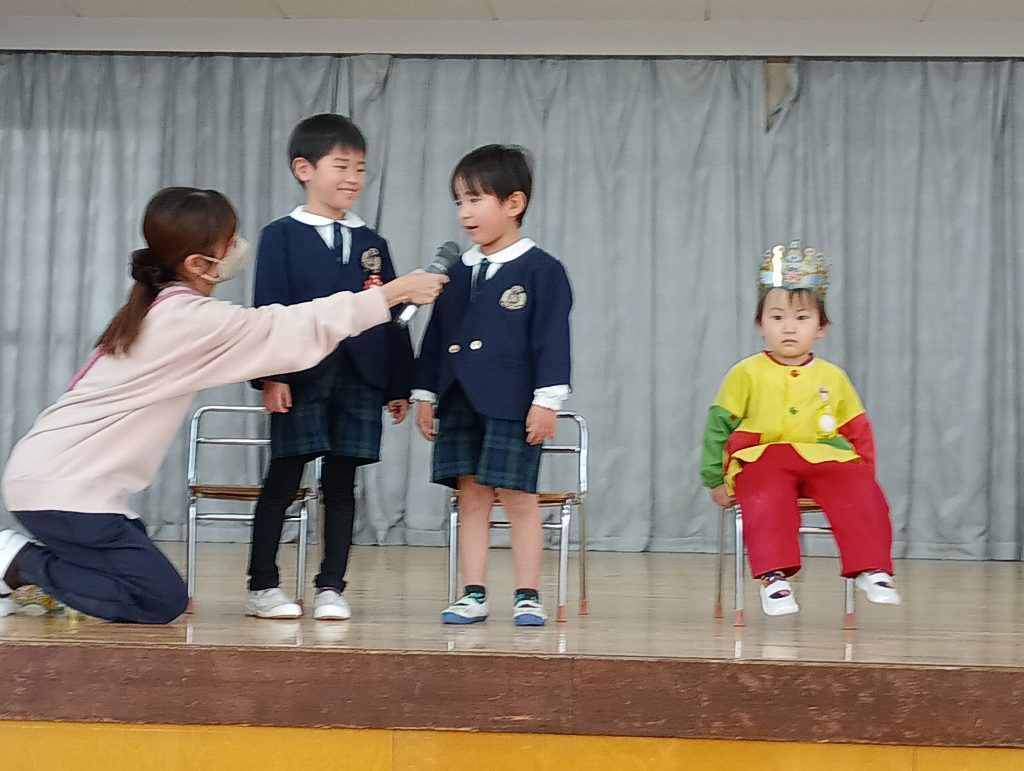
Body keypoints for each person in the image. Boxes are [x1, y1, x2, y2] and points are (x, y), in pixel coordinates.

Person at [0, 186, 446, 625]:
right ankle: (16, 562)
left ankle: (25, 575)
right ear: (197, 264)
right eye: (229, 242)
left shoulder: (164, 308)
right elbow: (287, 326)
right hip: (62, 486)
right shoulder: (187, 319)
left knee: (165, 596)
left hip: (67, 483)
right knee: (160, 601)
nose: (239, 248)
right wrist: (390, 293)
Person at [245, 114, 415, 621]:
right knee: (283, 480)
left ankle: (331, 587)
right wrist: (271, 375)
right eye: (341, 166)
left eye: (360, 168)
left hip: (359, 378)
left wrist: (398, 383)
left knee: (342, 487)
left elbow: (391, 314)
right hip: (301, 375)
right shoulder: (280, 236)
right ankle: (262, 585)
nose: (353, 178)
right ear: (304, 169)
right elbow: (268, 312)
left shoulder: (372, 243)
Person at [413, 145, 573, 627]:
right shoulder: (455, 271)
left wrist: (547, 401)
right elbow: (436, 337)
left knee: (519, 497)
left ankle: (528, 594)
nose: (465, 212)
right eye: (459, 201)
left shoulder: (542, 270)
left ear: (513, 203)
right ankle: (473, 593)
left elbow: (552, 339)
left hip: (513, 404)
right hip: (459, 400)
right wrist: (425, 393)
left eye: (475, 199)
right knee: (472, 497)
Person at [701, 241, 901, 617]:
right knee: (763, 492)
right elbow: (717, 427)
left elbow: (857, 430)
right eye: (777, 318)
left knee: (861, 489)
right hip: (763, 458)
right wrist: (714, 478)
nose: (789, 328)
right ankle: (773, 577)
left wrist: (864, 476)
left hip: (826, 458)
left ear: (821, 328)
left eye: (802, 318)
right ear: (761, 326)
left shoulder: (833, 377)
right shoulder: (745, 373)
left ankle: (872, 568)